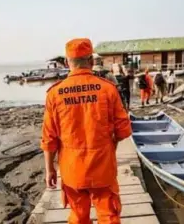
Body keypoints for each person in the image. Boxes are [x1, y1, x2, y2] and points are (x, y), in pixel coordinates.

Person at [41, 38, 132, 224]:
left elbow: (49, 138)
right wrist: (110, 145)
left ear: (67, 63)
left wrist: (50, 170)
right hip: (103, 168)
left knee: (78, 217)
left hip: (72, 170)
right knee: (108, 216)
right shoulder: (108, 89)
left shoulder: (55, 93)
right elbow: (123, 130)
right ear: (91, 61)